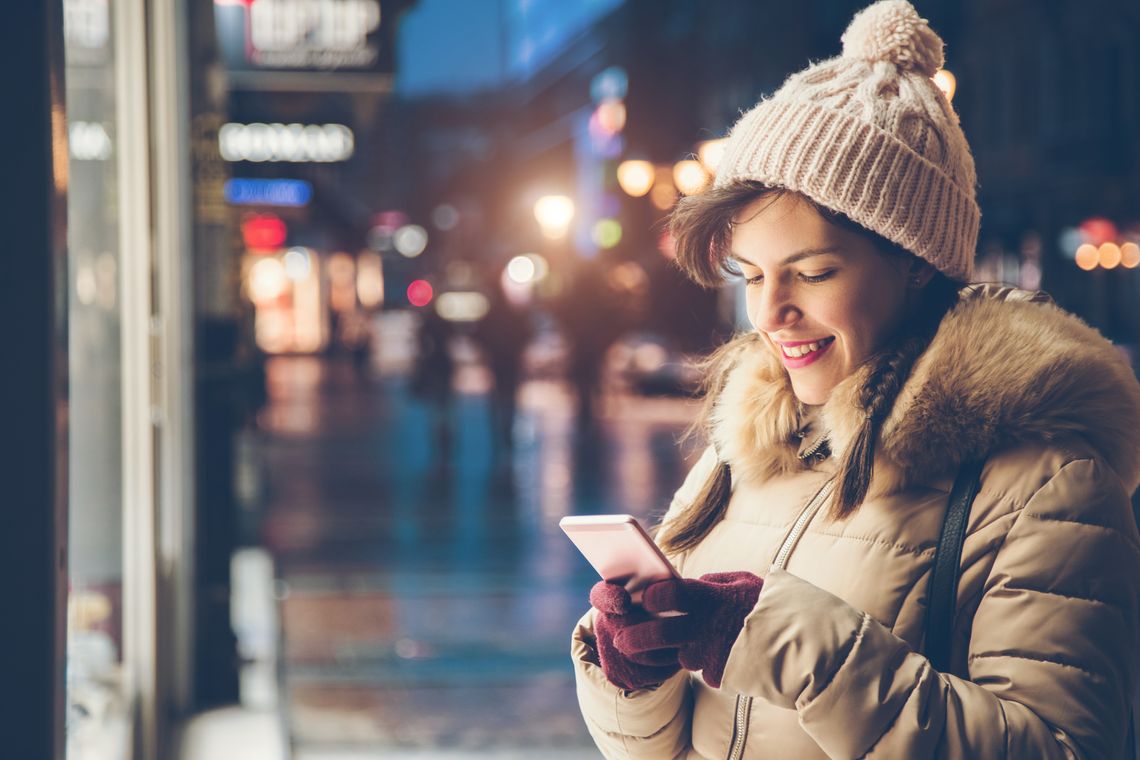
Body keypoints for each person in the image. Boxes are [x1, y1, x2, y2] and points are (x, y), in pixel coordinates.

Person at [570, 2, 1140, 758]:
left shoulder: (1045, 484)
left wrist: (795, 645)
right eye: (753, 276)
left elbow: (1063, 746)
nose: (772, 312)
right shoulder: (742, 455)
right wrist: (632, 673)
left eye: (812, 272)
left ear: (914, 264)